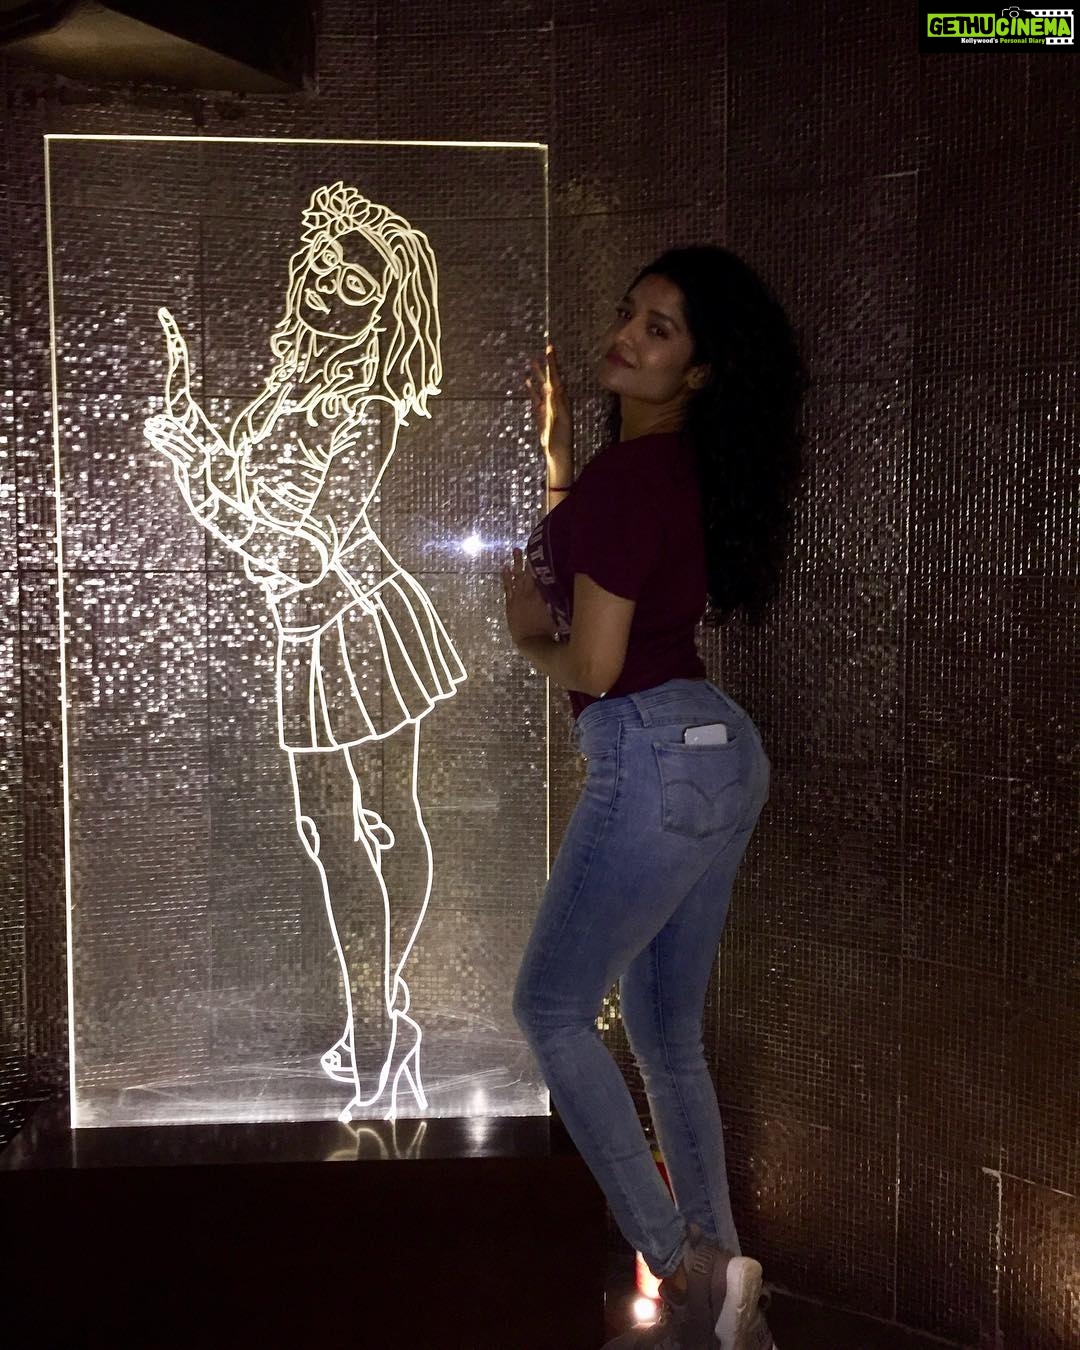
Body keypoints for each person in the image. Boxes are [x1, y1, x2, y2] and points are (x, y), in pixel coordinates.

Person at [502, 246, 805, 1350]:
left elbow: (590, 663)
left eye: (660, 329)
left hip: (651, 747)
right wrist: (555, 463)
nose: (628, 334)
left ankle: (681, 1265)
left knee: (550, 1008)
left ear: (700, 370)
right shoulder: (661, 471)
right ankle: (724, 1314)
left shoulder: (633, 479)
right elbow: (596, 545)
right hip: (719, 748)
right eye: (631, 313)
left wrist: (523, 634)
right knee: (667, 1031)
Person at [144, 183, 466, 1125]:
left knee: (385, 820)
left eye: (355, 286)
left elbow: (301, 550)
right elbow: (252, 516)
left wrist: (200, 477)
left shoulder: (365, 408)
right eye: (325, 266)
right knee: (331, 833)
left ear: (384, 315)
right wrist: (193, 436)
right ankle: (381, 1016)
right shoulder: (287, 383)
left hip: (360, 622)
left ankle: (377, 1027)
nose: (327, 287)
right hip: (304, 634)